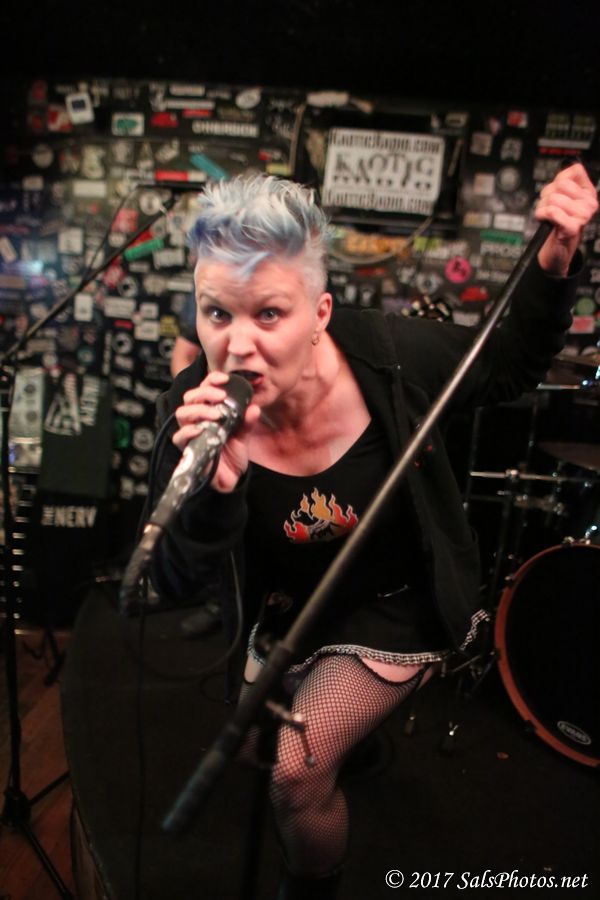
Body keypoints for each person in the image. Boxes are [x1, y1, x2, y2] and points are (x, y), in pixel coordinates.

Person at [149, 167, 597, 899]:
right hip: (292, 610)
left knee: (294, 772)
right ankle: (343, 740)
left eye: (270, 314)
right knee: (258, 747)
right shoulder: (190, 411)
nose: (237, 346)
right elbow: (173, 582)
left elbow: (509, 367)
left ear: (319, 312)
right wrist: (212, 495)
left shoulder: (391, 357)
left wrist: (554, 262)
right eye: (216, 313)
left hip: (395, 602)